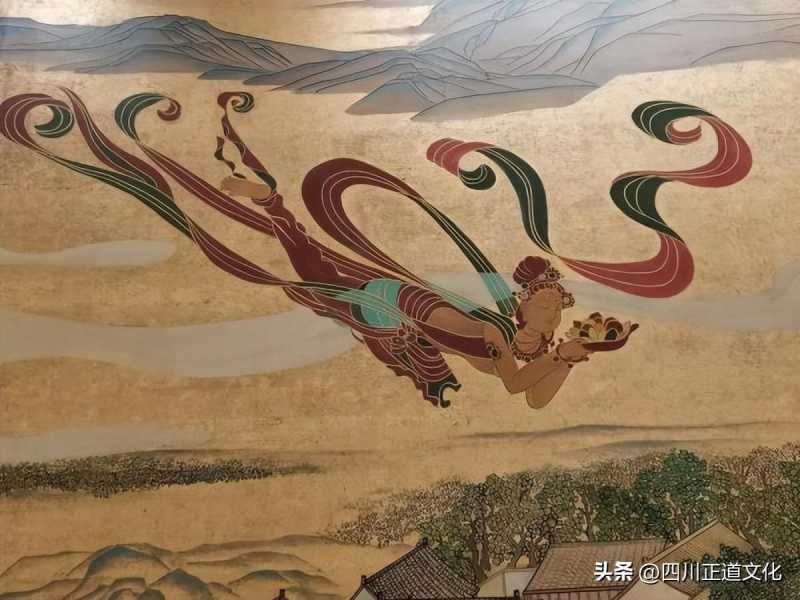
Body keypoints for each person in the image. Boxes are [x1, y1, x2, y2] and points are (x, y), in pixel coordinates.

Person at [221, 176, 591, 409]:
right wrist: (560, 354)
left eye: (558, 307)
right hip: (394, 304)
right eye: (545, 303)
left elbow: (534, 399)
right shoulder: (497, 333)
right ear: (523, 305)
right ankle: (271, 201)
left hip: (411, 322)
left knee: (320, 277)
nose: (553, 313)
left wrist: (570, 359)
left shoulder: (530, 352)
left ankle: (272, 205)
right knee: (315, 275)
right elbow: (514, 385)